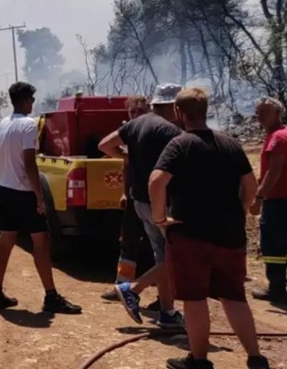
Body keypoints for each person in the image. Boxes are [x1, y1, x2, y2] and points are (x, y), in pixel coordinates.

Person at [148, 87, 270, 369]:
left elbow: (156, 181)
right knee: (234, 296)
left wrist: (159, 218)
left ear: (179, 113)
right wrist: (239, 210)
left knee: (194, 298)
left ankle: (199, 360)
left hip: (190, 235)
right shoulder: (230, 144)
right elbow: (250, 185)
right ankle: (256, 358)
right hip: (230, 236)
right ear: (206, 112)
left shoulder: (180, 145)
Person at [0, 81, 82, 314]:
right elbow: (30, 163)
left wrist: (2, 166)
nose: (33, 104)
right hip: (23, 192)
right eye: (32, 100)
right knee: (41, 242)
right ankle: (51, 296)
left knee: (6, 241)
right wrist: (39, 197)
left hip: (4, 190)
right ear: (26, 101)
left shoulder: (5, 124)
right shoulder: (29, 125)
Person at [98, 83, 184, 328]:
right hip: (164, 203)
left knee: (161, 255)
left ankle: (167, 312)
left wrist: (127, 156)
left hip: (141, 202)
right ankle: (133, 289)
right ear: (173, 106)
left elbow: (104, 145)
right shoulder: (171, 131)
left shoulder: (135, 125)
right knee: (175, 256)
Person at [101, 96, 160, 308]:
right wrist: (125, 193)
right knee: (128, 242)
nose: (135, 115)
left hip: (156, 199)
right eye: (132, 112)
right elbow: (126, 167)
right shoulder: (130, 135)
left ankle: (163, 297)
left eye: (140, 111)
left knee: (159, 248)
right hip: (136, 197)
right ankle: (122, 286)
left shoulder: (157, 134)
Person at [250, 97, 287, 303]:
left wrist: (259, 197)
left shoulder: (278, 138)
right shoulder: (278, 135)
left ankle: (277, 287)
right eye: (257, 112)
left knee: (273, 246)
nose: (259, 117)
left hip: (278, 201)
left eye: (263, 112)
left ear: (277, 113)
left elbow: (274, 171)